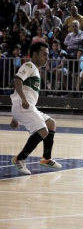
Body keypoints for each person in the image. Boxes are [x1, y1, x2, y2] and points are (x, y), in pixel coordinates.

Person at [10, 42, 62, 175]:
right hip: (24, 105)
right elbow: (17, 81)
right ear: (34, 55)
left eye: (48, 55)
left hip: (25, 106)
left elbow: (22, 89)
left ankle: (46, 158)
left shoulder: (35, 69)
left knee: (51, 124)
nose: (47, 57)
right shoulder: (29, 65)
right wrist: (23, 100)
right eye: (44, 54)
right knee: (42, 130)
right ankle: (20, 159)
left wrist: (15, 117)